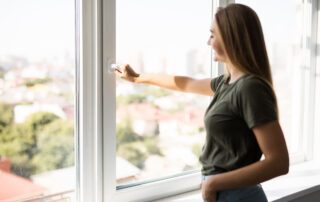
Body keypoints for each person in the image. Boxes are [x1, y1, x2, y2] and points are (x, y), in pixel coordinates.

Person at [115, 3, 289, 202]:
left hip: (237, 195)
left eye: (213, 35)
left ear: (232, 38)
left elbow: (279, 162)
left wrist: (214, 183)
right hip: (227, 193)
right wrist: (138, 78)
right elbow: (187, 83)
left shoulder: (250, 88)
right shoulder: (227, 83)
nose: (208, 42)